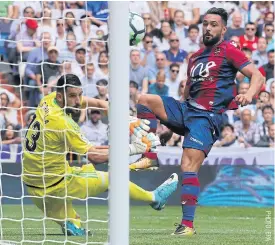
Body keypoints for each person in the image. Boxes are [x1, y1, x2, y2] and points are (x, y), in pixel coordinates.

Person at [129, 7, 264, 236]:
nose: (208, 28)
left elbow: (258, 76)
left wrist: (249, 95)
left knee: (188, 166)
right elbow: (187, 94)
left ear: (223, 29)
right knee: (144, 100)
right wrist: (172, 128)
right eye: (206, 23)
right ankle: (150, 156)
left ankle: (187, 226)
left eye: (214, 24)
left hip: (207, 116)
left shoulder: (230, 50)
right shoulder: (194, 57)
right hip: (186, 108)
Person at [22, 74, 178, 236]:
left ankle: (68, 221)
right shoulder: (64, 123)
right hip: (58, 184)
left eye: (80, 94)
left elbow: (97, 103)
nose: (78, 100)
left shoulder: (49, 99)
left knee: (74, 223)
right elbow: (94, 157)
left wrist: (123, 116)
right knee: (111, 180)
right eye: (73, 96)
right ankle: (155, 198)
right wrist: (134, 148)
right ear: (61, 96)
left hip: (34, 188)